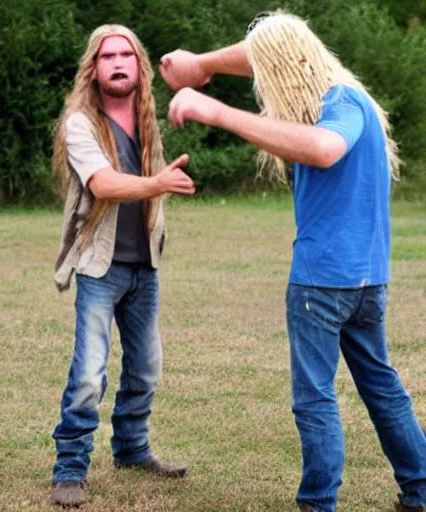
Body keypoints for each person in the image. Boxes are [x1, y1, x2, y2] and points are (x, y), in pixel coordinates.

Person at [160, 11, 426, 512]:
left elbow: (324, 150)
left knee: (314, 400)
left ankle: (318, 502)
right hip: (367, 282)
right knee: (383, 388)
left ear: (295, 64)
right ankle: (421, 490)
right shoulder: (350, 98)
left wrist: (213, 110)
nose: (264, 87)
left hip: (322, 284)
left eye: (269, 76)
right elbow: (269, 51)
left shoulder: (340, 103)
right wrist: (201, 64)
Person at [51, 24, 194, 508]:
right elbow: (106, 184)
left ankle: (132, 450)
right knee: (90, 373)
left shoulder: (147, 118)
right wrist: (158, 184)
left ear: (139, 66)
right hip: (100, 265)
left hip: (144, 266)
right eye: (107, 55)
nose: (117, 62)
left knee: (146, 367)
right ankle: (70, 467)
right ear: (93, 67)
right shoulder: (80, 123)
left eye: (126, 55)